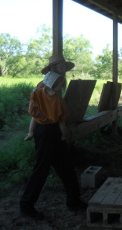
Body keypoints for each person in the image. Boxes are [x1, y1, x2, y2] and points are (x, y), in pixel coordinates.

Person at [20, 70, 86, 220]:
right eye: (59, 83)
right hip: (43, 133)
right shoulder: (37, 94)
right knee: (41, 169)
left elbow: (61, 121)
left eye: (62, 83)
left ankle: (73, 200)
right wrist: (31, 133)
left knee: (67, 167)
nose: (61, 85)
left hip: (56, 132)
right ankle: (26, 206)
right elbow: (35, 117)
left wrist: (65, 135)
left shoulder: (58, 99)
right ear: (51, 83)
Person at [24, 55, 74, 141]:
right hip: (44, 122)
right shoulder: (44, 84)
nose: (63, 67)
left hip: (53, 119)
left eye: (64, 65)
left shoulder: (60, 81)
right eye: (60, 65)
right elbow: (36, 102)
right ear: (53, 67)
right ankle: (30, 132)